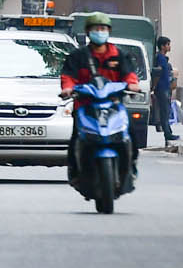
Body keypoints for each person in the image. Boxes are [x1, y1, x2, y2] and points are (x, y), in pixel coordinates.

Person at [60, 12, 140, 184]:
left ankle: (131, 165)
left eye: (103, 28)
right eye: (96, 29)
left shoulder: (119, 55)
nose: (100, 32)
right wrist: (67, 88)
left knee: (131, 134)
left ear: (108, 31)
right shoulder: (78, 56)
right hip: (85, 106)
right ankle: (75, 171)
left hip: (113, 105)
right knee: (76, 138)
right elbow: (68, 76)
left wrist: (132, 85)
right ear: (88, 32)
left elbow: (129, 75)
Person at [151, 36, 177, 145]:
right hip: (162, 88)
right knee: (164, 111)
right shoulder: (160, 58)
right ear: (162, 46)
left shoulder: (164, 58)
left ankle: (168, 131)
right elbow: (158, 73)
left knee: (166, 110)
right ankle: (167, 133)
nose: (169, 47)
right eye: (167, 44)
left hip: (166, 88)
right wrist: (154, 87)